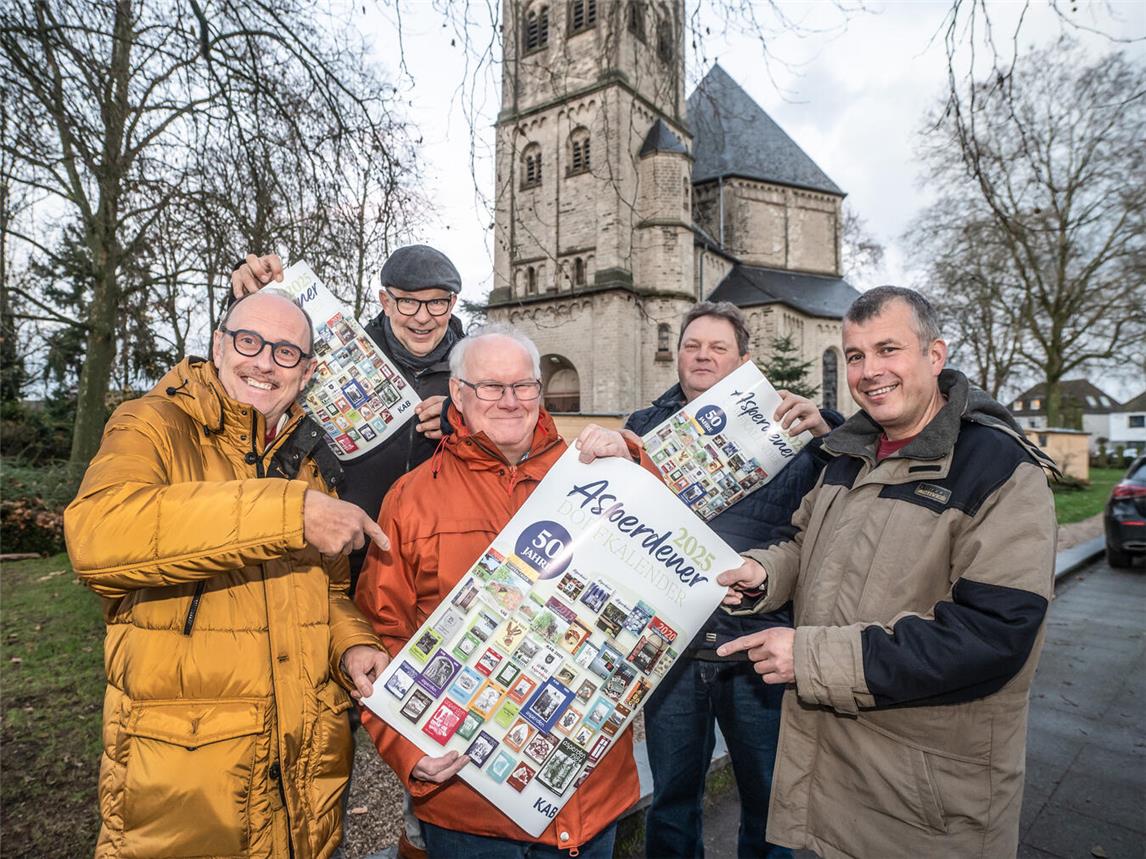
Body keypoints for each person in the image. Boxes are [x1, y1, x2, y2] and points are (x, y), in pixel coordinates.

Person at [717, 286, 1059, 858]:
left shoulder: (999, 468)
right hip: (835, 773)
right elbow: (807, 545)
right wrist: (764, 573)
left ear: (935, 356)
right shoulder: (850, 454)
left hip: (923, 803)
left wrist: (810, 656)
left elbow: (993, 635)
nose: (870, 371)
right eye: (855, 356)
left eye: (888, 350)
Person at [64, 290, 391, 858]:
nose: (265, 362)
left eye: (287, 352)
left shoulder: (306, 458)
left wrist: (352, 646)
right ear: (218, 346)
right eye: (249, 342)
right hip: (192, 792)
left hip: (305, 785)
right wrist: (289, 512)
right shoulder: (152, 423)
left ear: (307, 371)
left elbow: (327, 589)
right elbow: (97, 535)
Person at [354, 323, 645, 858]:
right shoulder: (411, 499)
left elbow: (672, 562)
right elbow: (378, 633)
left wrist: (636, 464)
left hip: (588, 795)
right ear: (459, 396)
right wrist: (405, 747)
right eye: (491, 387)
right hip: (469, 803)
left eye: (524, 385)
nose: (510, 401)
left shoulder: (596, 473)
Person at [625, 301, 840, 859]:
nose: (702, 356)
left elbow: (847, 497)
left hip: (756, 647)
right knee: (671, 798)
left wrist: (827, 432)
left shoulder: (789, 426)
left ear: (744, 360)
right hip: (672, 649)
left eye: (717, 348)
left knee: (769, 800)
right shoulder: (643, 430)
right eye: (692, 345)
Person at [232, 245, 465, 591]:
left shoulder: (477, 374)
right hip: (339, 563)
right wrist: (250, 293)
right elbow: (252, 380)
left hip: (434, 569)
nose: (422, 317)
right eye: (408, 302)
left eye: (436, 303)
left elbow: (516, 445)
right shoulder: (336, 351)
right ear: (385, 301)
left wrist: (465, 422)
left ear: (452, 304)